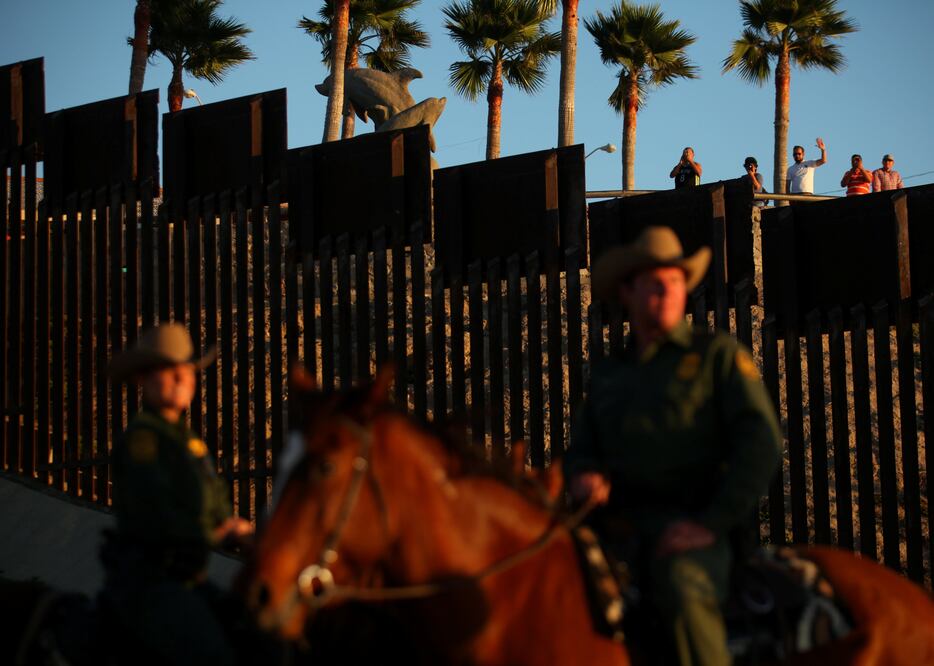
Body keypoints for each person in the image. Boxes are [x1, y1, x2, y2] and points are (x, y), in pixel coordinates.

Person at [566, 226, 782, 666]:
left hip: (694, 526)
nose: (668, 290)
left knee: (683, 588)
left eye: (677, 280)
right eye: (655, 281)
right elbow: (582, 447)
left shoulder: (716, 356)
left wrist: (710, 522)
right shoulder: (610, 373)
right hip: (613, 527)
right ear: (627, 291)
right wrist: (584, 473)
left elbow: (761, 442)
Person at [100, 323, 252, 666]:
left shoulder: (187, 441)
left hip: (187, 579)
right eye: (168, 371)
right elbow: (159, 517)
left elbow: (217, 506)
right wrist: (216, 533)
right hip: (151, 582)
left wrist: (239, 529)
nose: (181, 378)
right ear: (143, 379)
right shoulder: (145, 441)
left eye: (187, 370)